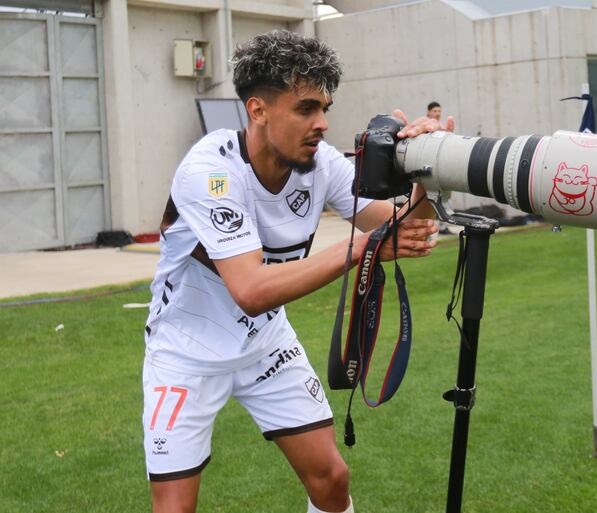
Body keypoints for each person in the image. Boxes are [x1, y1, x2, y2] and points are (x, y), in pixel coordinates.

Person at [142, 30, 439, 513]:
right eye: (306, 109)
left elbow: (408, 229)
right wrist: (363, 249)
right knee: (174, 508)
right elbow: (252, 289)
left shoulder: (322, 163)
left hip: (265, 344)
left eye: (325, 108)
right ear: (257, 110)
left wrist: (425, 166)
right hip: (186, 352)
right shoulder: (210, 171)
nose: (321, 123)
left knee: (332, 480)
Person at [426, 101, 455, 235]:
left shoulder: (442, 126)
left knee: (443, 198)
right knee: (431, 200)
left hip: (442, 167)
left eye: (439, 111)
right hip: (430, 169)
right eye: (435, 111)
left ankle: (442, 227)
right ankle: (432, 230)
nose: (437, 114)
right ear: (429, 112)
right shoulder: (426, 126)